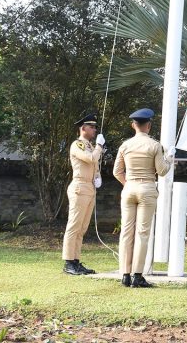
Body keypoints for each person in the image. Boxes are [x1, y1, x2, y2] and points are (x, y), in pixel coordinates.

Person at [113, 108, 175, 288]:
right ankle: (137, 275)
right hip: (147, 187)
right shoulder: (155, 145)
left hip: (129, 187)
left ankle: (125, 274)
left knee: (126, 232)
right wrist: (169, 157)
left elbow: (117, 171)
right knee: (142, 232)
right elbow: (162, 171)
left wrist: (128, 184)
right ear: (148, 125)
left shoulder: (125, 145)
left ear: (134, 125)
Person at [62, 113, 105, 275]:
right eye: (91, 127)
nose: (94, 130)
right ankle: (68, 262)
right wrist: (100, 147)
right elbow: (91, 159)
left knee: (82, 228)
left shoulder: (90, 146)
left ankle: (76, 260)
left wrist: (97, 176)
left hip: (89, 187)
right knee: (74, 226)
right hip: (79, 186)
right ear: (83, 128)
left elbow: (94, 166)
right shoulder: (78, 145)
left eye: (95, 127)